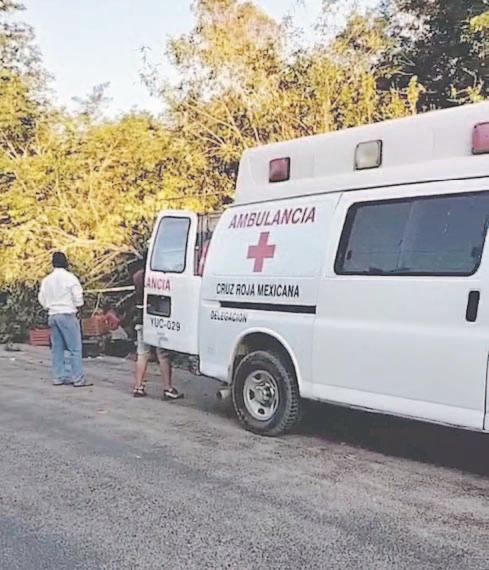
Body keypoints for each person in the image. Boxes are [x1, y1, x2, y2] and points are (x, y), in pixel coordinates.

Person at [132, 255, 183, 400]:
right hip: (158, 318)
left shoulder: (137, 276)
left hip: (141, 317)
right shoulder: (161, 276)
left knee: (142, 354)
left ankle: (138, 386)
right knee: (163, 355)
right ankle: (168, 388)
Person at [38, 252, 92, 387]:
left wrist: (48, 306)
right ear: (66, 262)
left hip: (53, 314)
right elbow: (78, 297)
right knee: (75, 348)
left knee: (57, 348)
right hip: (67, 314)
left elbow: (42, 298)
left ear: (53, 263)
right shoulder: (70, 278)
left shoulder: (47, 280)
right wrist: (77, 305)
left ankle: (58, 376)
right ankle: (78, 378)